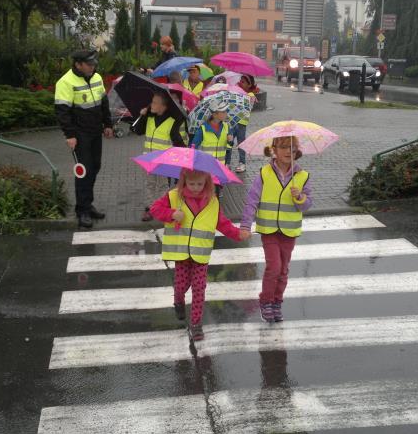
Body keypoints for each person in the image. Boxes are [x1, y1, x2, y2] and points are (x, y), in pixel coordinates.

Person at [150, 168, 249, 340]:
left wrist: (237, 234)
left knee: (199, 288)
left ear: (207, 182)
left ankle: (196, 324)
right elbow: (155, 209)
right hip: (181, 253)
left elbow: (221, 222)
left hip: (201, 254)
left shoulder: (212, 201)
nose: (196, 188)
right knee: (181, 286)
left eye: (200, 184)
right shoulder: (174, 196)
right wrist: (172, 214)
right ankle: (178, 300)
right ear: (184, 181)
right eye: (191, 183)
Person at [239, 136, 312, 323]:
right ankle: (266, 301)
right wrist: (246, 225)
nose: (289, 151)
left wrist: (300, 197)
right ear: (274, 150)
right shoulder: (264, 173)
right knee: (274, 267)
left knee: (284, 269)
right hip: (269, 229)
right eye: (284, 147)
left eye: (293, 148)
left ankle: (277, 302)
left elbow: (307, 205)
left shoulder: (302, 176)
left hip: (289, 231)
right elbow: (251, 201)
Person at [54, 49, 113, 229]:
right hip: (80, 135)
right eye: (89, 64)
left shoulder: (96, 77)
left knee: (95, 166)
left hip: (95, 131)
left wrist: (108, 124)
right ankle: (82, 211)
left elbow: (103, 102)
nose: (93, 67)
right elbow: (62, 112)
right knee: (84, 171)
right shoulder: (65, 82)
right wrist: (70, 135)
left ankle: (88, 204)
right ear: (78, 64)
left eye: (94, 63)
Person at [131, 91, 187, 221]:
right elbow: (138, 131)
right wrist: (142, 116)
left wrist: (185, 152)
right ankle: (149, 209)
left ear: (164, 106)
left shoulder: (172, 121)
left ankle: (161, 208)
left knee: (162, 185)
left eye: (155, 102)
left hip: (164, 160)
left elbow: (176, 139)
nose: (152, 105)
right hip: (149, 158)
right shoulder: (149, 117)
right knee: (150, 184)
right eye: (152, 102)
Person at [226, 73, 258, 173]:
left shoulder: (250, 95)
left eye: (243, 82)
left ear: (249, 85)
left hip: (241, 124)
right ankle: (227, 163)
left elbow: (247, 106)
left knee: (241, 144)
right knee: (229, 143)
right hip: (232, 122)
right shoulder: (237, 92)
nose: (240, 83)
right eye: (240, 81)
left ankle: (242, 163)